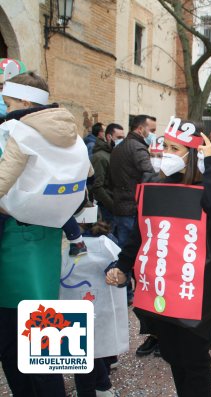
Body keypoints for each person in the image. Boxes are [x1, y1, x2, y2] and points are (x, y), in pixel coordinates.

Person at [106, 125, 211, 396]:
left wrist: (210, 161)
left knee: (195, 360)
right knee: (173, 356)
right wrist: (122, 265)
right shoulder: (156, 186)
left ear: (193, 153)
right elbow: (140, 233)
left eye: (174, 149)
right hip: (161, 287)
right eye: (164, 146)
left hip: (194, 291)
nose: (166, 154)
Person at [0, 70, 90, 397]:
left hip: (13, 241)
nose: (4, 105)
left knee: (12, 343)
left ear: (23, 100)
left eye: (7, 99)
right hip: (46, 241)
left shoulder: (13, 132)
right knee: (45, 340)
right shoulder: (72, 135)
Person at [0, 72, 90, 257]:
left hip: (26, 208)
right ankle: (77, 241)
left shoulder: (20, 131)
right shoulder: (70, 129)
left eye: (9, 104)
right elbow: (87, 169)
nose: (8, 111)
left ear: (25, 103)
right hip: (64, 204)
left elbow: (6, 174)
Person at [61, 221, 125, 397]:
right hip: (98, 308)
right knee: (90, 346)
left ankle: (90, 390)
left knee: (80, 347)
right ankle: (102, 385)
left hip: (73, 302)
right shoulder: (105, 241)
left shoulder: (77, 243)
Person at [110, 114, 156, 248]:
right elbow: (150, 174)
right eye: (152, 131)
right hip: (132, 209)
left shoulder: (118, 148)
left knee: (122, 248)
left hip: (120, 206)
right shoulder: (138, 148)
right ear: (140, 129)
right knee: (132, 251)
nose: (154, 134)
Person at [91, 123, 123, 226]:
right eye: (119, 137)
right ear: (109, 137)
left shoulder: (113, 153)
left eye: (123, 137)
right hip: (107, 207)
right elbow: (97, 186)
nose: (122, 140)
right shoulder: (100, 157)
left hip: (115, 203)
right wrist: (112, 206)